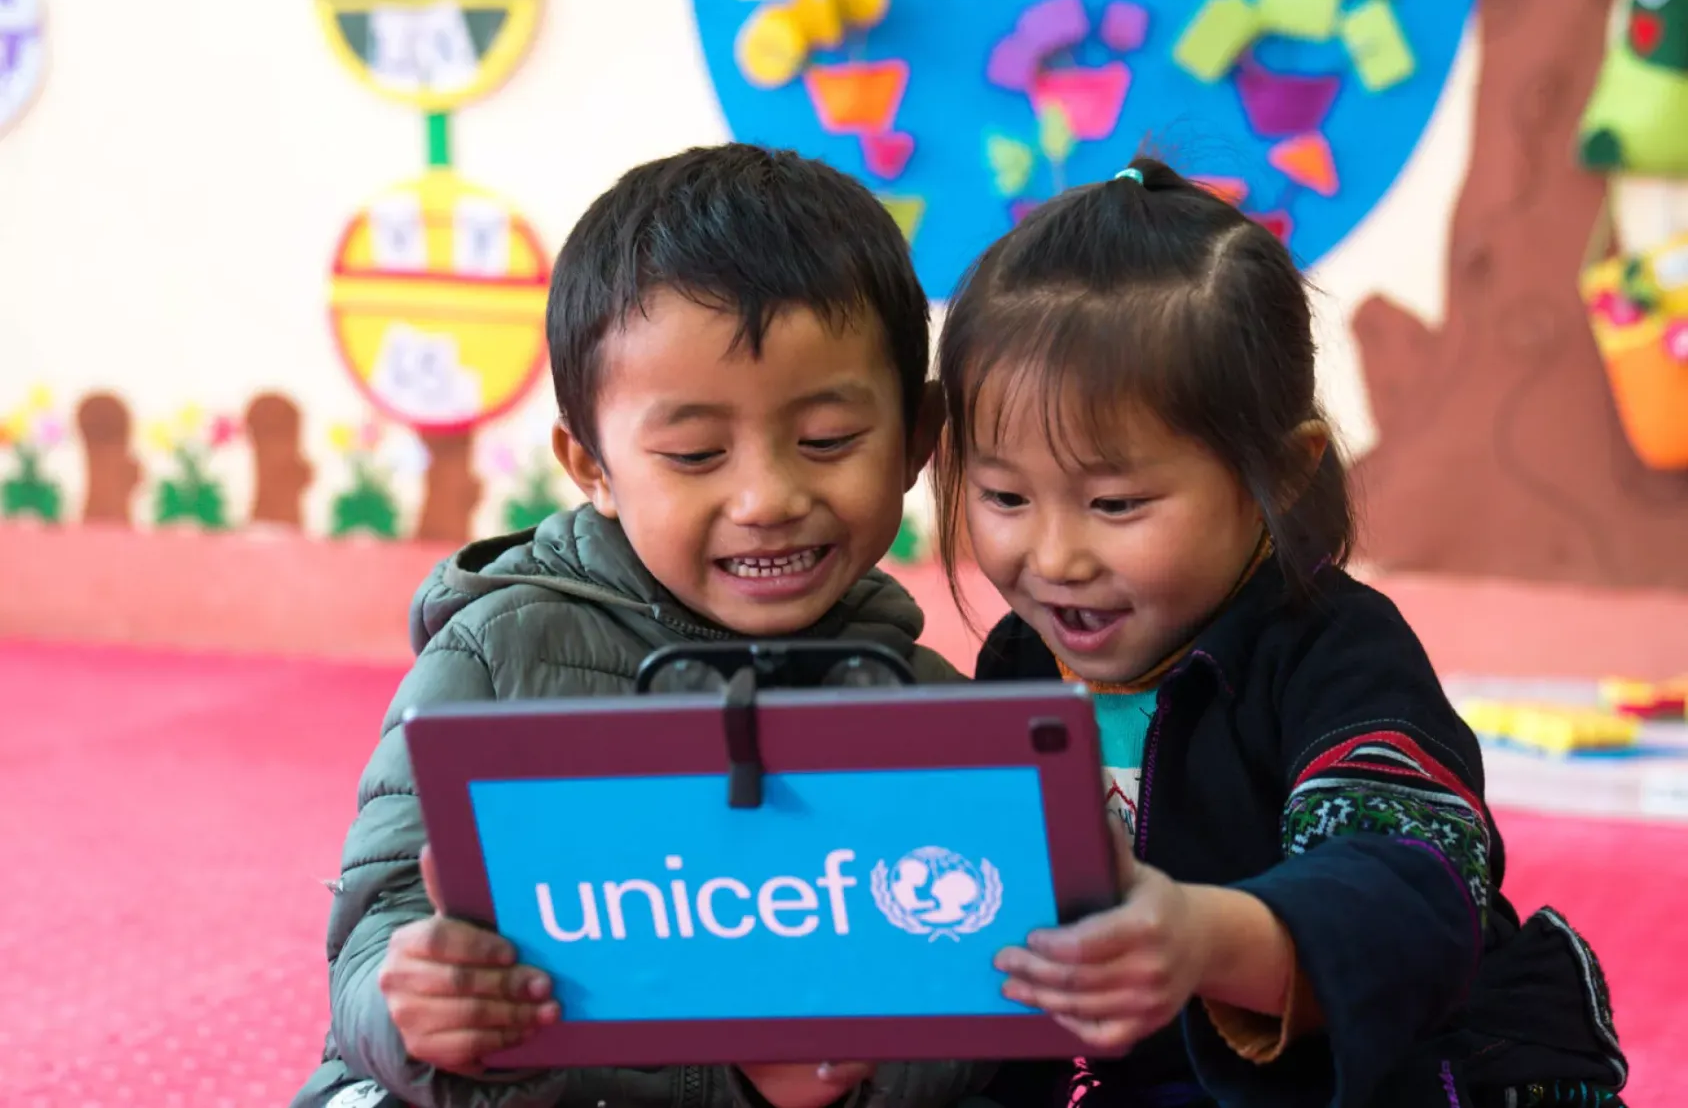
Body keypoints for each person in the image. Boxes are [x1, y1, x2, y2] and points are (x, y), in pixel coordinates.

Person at [291, 143, 993, 1108]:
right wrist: (416, 995)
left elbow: (982, 992)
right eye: (695, 452)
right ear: (591, 467)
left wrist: (850, 1077)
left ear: (917, 439)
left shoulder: (927, 708)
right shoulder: (498, 655)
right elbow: (373, 946)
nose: (767, 497)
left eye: (828, 441)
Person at [930, 159, 1629, 1108]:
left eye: (1116, 501)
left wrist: (1205, 935)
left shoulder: (1336, 651)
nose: (1054, 555)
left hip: (1407, 1072)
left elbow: (1412, 883)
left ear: (1285, 471)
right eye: (1005, 495)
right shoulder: (1019, 661)